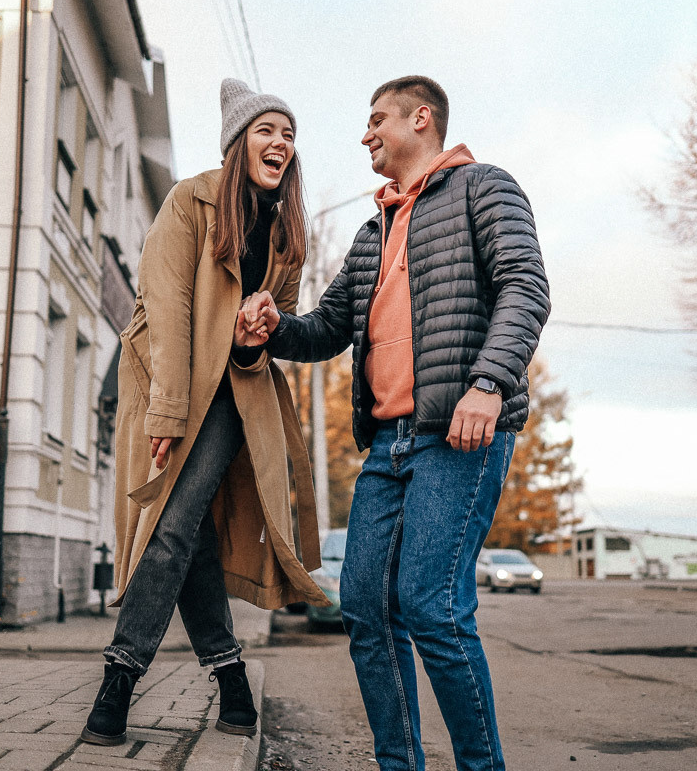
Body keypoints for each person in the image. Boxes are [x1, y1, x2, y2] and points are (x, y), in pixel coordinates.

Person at [239, 75, 549, 771]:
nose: (366, 134)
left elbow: (525, 287)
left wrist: (488, 383)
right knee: (364, 610)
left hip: (459, 433)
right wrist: (272, 326)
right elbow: (326, 329)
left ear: (421, 117)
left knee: (432, 606)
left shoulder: (484, 188)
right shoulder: (372, 231)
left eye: (377, 119)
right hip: (388, 446)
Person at [81, 78, 328, 747]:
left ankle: (118, 678)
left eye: (288, 134)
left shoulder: (288, 233)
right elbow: (168, 308)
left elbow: (278, 325)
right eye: (266, 130)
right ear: (237, 142)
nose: (280, 143)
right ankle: (232, 680)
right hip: (167, 381)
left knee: (171, 525)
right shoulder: (189, 200)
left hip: (231, 396)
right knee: (184, 534)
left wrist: (258, 334)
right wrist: (166, 414)